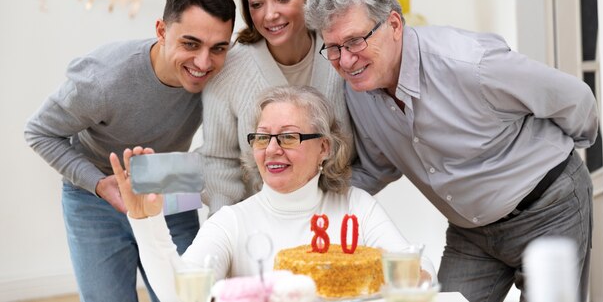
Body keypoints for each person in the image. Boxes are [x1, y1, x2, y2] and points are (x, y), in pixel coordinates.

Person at [304, 0, 598, 302]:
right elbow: (377, 167)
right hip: (470, 233)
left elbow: (576, 100)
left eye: (355, 41)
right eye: (334, 48)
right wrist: (307, 202)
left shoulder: (472, 63)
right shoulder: (357, 90)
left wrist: (559, 160)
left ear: (395, 25)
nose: (345, 59)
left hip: (549, 209)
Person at [24, 0, 236, 302]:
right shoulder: (102, 79)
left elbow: (232, 141)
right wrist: (98, 183)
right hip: (95, 197)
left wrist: (184, 174)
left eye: (218, 47)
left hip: (166, 186)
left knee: (187, 297)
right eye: (190, 44)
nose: (204, 62)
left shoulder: (222, 74)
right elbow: (39, 131)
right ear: (162, 31)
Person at [109, 85, 411, 301]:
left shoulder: (357, 207)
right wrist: (146, 221)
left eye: (289, 137)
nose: (272, 149)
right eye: (263, 137)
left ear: (324, 147)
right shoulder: (233, 221)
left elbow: (416, 273)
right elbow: (181, 295)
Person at [197, 0, 353, 213]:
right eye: (257, 4)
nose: (269, 15)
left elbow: (364, 149)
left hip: (333, 220)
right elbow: (218, 161)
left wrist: (344, 208)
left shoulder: (344, 55)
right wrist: (222, 229)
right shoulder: (229, 68)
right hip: (257, 225)